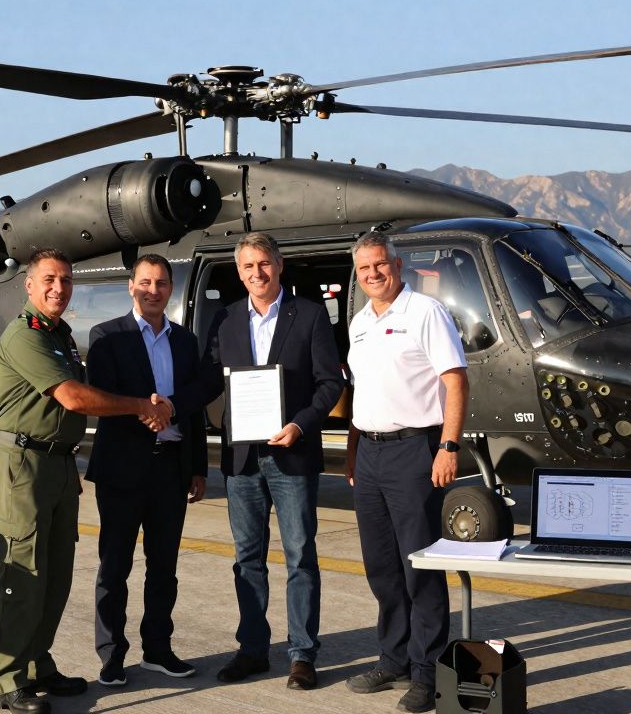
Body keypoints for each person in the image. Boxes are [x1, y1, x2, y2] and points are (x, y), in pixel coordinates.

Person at [0, 248, 172, 714]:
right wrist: (141, 406)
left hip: (57, 464)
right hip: (21, 466)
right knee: (22, 573)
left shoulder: (60, 335)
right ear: (29, 285)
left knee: (56, 574)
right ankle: (8, 680)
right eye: (49, 280)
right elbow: (72, 397)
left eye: (66, 281)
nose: (58, 289)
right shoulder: (24, 335)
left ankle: (37, 664)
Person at [197, 232, 344, 690]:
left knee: (300, 556)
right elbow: (207, 381)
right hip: (242, 459)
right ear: (239, 273)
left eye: (264, 264)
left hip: (292, 453)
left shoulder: (311, 316)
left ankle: (302, 654)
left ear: (279, 266)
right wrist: (162, 403)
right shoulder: (225, 320)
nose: (256, 273)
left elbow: (329, 384)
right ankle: (253, 650)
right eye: (247, 267)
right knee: (248, 559)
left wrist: (300, 424)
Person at [342, 231, 469, 713]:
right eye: (364, 269)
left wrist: (447, 446)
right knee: (382, 567)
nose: (373, 274)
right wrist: (353, 450)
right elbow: (361, 392)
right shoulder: (358, 323)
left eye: (380, 265)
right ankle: (392, 658)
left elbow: (454, 379)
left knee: (421, 568)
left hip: (415, 450)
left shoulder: (425, 313)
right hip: (370, 454)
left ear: (397, 265)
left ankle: (428, 670)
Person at [85, 253, 208, 687]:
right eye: (145, 282)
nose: (152, 290)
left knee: (164, 568)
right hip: (122, 470)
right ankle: (112, 654)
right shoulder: (106, 336)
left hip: (170, 469)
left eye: (160, 284)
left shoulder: (184, 341)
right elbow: (103, 395)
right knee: (114, 567)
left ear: (171, 289)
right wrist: (149, 412)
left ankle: (158, 649)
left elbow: (192, 407)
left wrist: (197, 467)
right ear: (130, 286)